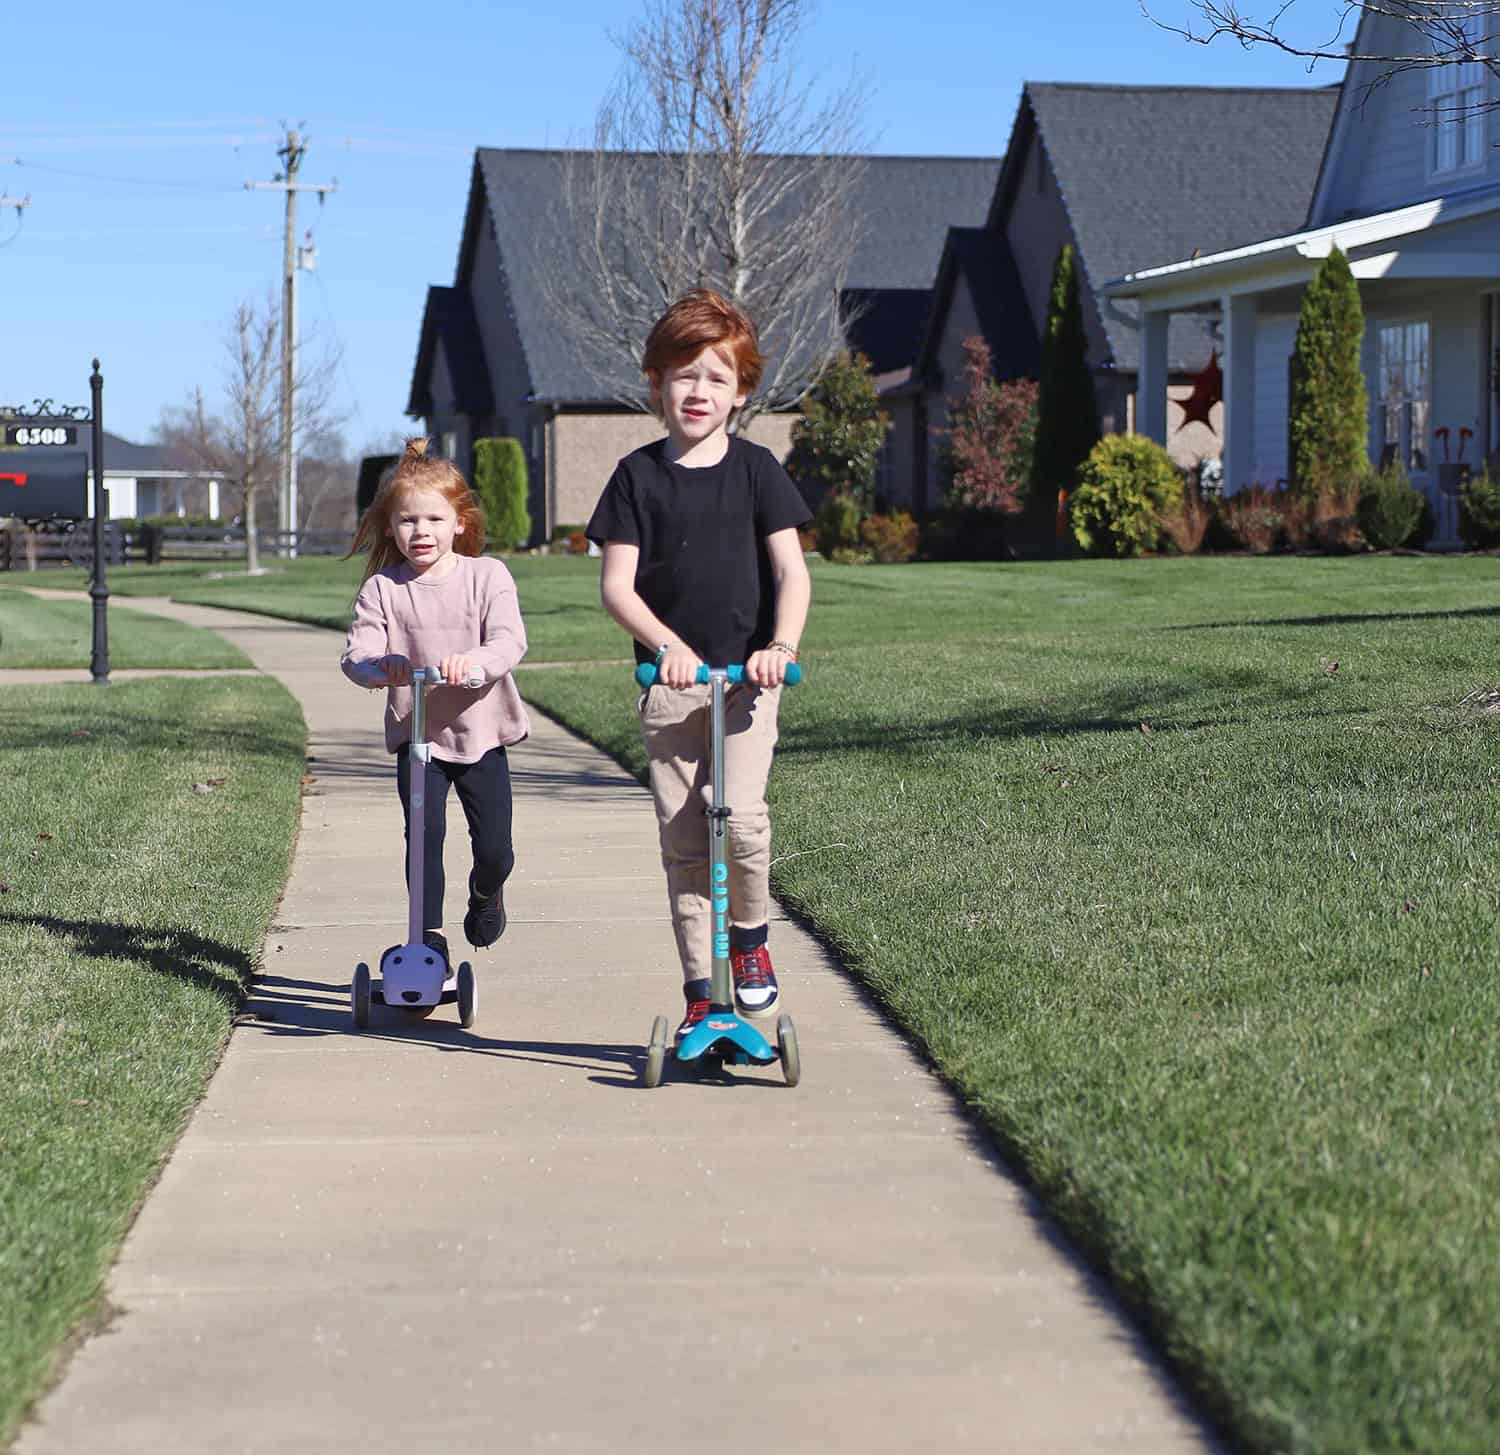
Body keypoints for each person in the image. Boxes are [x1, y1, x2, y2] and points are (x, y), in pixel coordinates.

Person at [586, 289, 812, 1038]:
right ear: (656, 383)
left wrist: (780, 649)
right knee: (685, 842)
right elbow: (616, 586)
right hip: (670, 689)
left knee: (740, 821)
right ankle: (698, 990)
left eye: (716, 377)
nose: (698, 390)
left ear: (741, 392)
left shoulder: (757, 472)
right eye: (683, 374)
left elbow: (792, 573)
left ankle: (749, 943)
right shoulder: (636, 476)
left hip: (747, 689)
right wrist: (667, 647)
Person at [341, 438, 529, 962]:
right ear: (390, 528)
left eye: (433, 519)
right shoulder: (384, 589)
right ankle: (426, 941)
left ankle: (486, 893)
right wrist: (382, 669)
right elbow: (357, 655)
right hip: (419, 739)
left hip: (482, 735)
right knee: (423, 841)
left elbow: (510, 641)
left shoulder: (486, 576)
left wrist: (475, 663)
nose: (420, 532)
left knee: (495, 849)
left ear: (459, 523)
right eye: (406, 521)